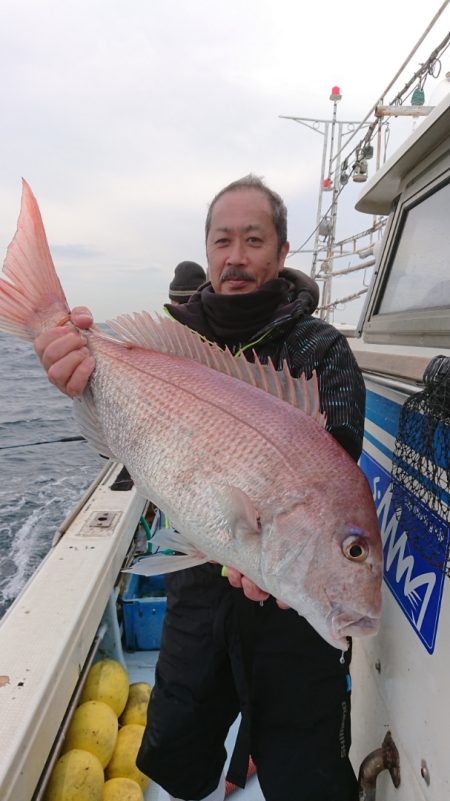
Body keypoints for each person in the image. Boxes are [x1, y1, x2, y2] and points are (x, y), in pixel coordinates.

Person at [35, 175, 365, 801]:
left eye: (253, 239)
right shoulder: (167, 341)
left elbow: (331, 483)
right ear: (208, 251)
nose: (236, 255)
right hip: (196, 587)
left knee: (306, 768)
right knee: (176, 746)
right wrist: (79, 381)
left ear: (282, 251)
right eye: (223, 241)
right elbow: (126, 448)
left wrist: (282, 557)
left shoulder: (322, 351)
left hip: (292, 612)